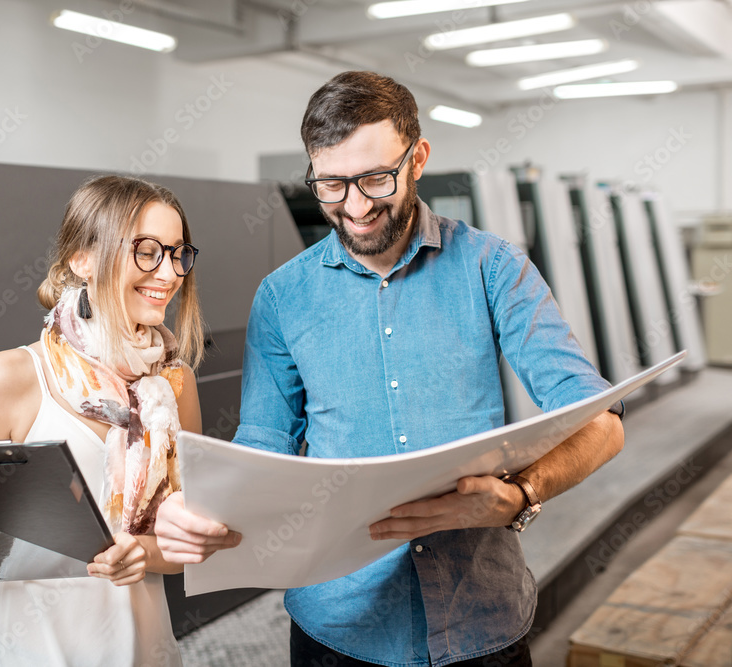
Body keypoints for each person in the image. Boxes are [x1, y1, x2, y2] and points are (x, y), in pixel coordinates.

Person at [154, 71, 625, 667]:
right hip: (338, 628)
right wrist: (203, 509)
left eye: (376, 178)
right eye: (330, 185)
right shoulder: (282, 297)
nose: (355, 207)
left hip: (480, 622)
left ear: (418, 157)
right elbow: (262, 445)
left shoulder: (493, 267)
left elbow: (601, 419)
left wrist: (522, 494)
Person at [0, 174, 205, 666]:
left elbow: (187, 544)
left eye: (177, 252)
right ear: (82, 259)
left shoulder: (174, 383)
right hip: (35, 650)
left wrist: (141, 552)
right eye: (146, 250)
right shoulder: (9, 377)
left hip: (145, 649)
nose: (168, 273)